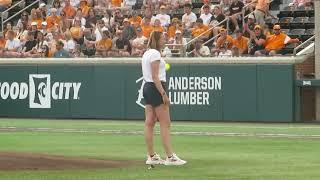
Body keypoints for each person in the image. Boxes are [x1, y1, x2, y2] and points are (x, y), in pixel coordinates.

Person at [142, 31, 187, 166]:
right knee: (165, 123)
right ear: (156, 40)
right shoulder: (155, 53)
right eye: (162, 38)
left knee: (149, 122)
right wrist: (163, 93)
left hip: (147, 87)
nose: (165, 39)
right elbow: (155, 77)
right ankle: (170, 157)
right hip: (156, 87)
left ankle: (152, 156)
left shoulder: (146, 53)